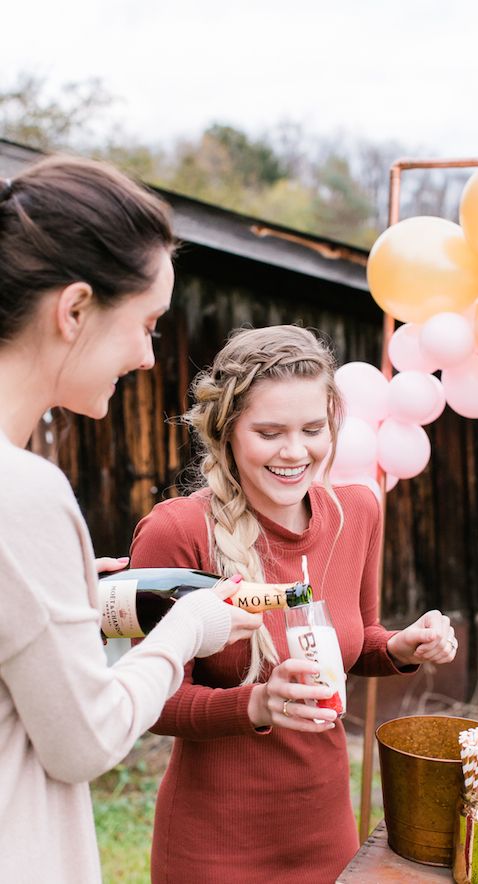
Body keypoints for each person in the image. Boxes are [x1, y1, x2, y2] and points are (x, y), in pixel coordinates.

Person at [0, 155, 263, 884]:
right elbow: (83, 742)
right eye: (145, 325)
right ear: (75, 309)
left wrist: (64, 595)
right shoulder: (22, 494)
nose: (149, 358)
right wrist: (190, 630)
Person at [130, 323, 459, 884]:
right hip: (213, 848)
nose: (294, 452)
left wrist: (401, 646)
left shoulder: (358, 512)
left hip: (326, 837)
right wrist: (256, 705)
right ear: (228, 430)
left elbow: (354, 642)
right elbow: (148, 703)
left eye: (312, 429)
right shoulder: (176, 531)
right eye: (269, 432)